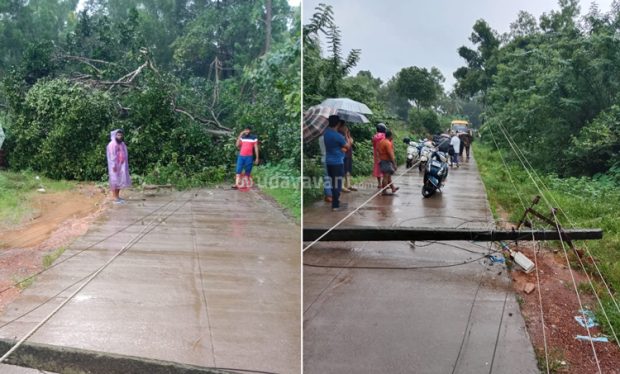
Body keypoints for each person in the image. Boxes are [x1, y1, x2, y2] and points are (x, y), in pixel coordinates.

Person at [324, 115, 350, 211]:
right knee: (337, 185)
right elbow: (347, 146)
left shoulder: (326, 134)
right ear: (338, 124)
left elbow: (340, 148)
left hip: (329, 162)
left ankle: (336, 203)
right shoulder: (338, 136)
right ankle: (335, 206)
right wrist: (346, 134)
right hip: (337, 163)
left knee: (332, 183)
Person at [106, 129, 131, 204]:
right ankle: (114, 197)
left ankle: (117, 196)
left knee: (120, 181)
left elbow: (125, 154)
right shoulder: (112, 144)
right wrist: (113, 166)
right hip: (114, 166)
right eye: (118, 135)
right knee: (115, 181)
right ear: (114, 135)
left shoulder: (122, 144)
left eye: (121, 135)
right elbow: (112, 156)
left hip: (122, 166)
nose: (120, 137)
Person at [377, 130, 399, 195]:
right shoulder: (388, 143)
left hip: (382, 160)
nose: (393, 137)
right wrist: (394, 164)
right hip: (386, 161)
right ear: (390, 136)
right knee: (386, 176)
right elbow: (390, 154)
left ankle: (393, 188)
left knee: (388, 176)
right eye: (392, 135)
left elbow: (378, 150)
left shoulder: (381, 141)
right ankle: (384, 191)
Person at [339, 122, 357, 193]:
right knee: (343, 170)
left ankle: (348, 184)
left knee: (348, 170)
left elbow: (351, 141)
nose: (345, 128)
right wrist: (346, 135)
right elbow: (347, 144)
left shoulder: (346, 134)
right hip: (343, 155)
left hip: (349, 154)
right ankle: (342, 186)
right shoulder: (339, 135)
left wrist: (347, 135)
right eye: (344, 126)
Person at [372, 123, 387, 189]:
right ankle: (385, 184)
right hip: (383, 155)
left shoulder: (374, 137)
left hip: (376, 155)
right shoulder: (385, 136)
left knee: (378, 168)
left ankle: (379, 184)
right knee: (385, 169)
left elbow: (373, 144)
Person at [318, 134, 332, 202]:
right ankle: (331, 194)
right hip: (331, 159)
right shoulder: (330, 137)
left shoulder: (320, 138)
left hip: (324, 159)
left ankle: (328, 195)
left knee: (326, 177)